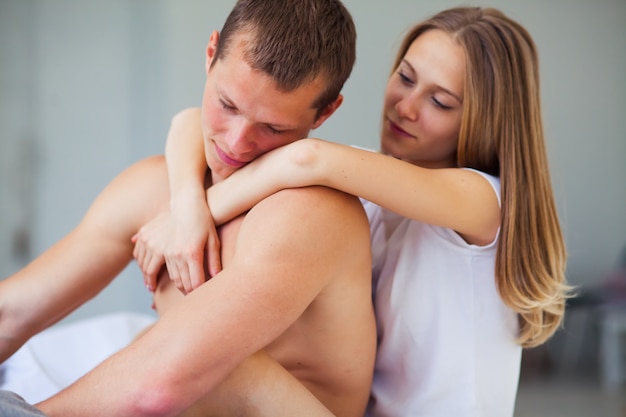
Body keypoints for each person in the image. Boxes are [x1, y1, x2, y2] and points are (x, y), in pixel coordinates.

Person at [133, 6, 571, 416]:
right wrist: (186, 205)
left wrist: (188, 219)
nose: (406, 107)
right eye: (405, 77)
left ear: (485, 118)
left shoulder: (484, 199)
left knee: (200, 359)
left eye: (440, 102)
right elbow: (188, 121)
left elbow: (306, 159)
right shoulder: (366, 191)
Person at [0, 1, 378, 416]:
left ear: (326, 111)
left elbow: (159, 384)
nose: (236, 143)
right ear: (210, 53)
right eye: (227, 105)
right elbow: (12, 313)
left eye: (273, 128)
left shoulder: (312, 215)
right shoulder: (157, 190)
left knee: (213, 353)